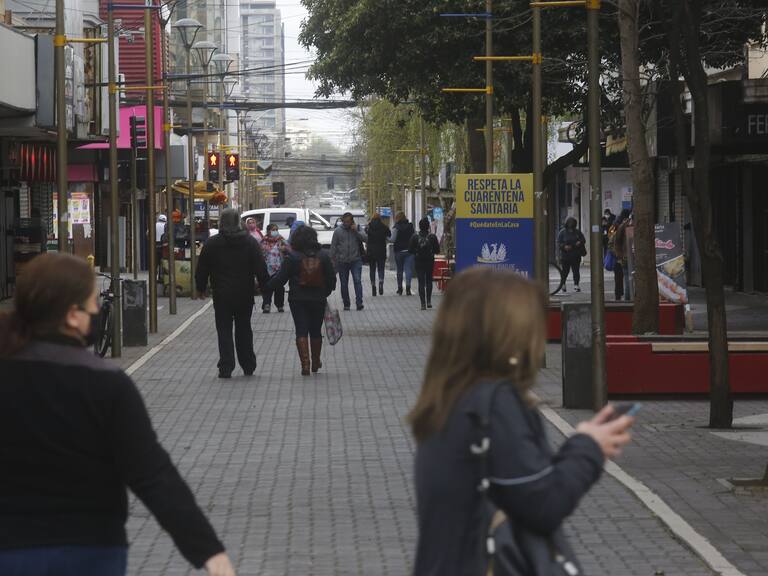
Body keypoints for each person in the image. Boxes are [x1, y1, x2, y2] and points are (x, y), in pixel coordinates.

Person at [0, 253, 235, 576]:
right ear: (72, 316)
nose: (97, 311)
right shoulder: (105, 385)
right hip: (90, 551)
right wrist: (210, 552)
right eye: (91, 302)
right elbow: (152, 475)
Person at [408, 267, 634, 575]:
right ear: (507, 333)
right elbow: (542, 503)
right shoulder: (494, 404)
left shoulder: (447, 399)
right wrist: (588, 448)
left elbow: (518, 483)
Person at [196, 208, 269, 379]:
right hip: (244, 294)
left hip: (222, 295)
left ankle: (226, 366)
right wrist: (265, 286)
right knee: (244, 328)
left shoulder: (212, 243)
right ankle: (248, 364)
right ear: (238, 222)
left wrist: (200, 288)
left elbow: (202, 269)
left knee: (224, 330)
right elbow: (260, 267)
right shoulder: (250, 242)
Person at [267, 225, 336, 376]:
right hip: (318, 298)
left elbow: (280, 279)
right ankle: (316, 362)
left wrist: (266, 287)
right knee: (316, 330)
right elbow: (331, 278)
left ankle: (305, 364)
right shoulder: (323, 255)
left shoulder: (293, 257)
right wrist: (325, 292)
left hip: (297, 299)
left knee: (301, 329)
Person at [330, 212, 367, 311]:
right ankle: (346, 303)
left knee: (357, 280)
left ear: (352, 221)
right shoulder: (338, 231)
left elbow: (365, 239)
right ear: (342, 221)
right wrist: (332, 260)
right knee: (344, 283)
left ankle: (359, 303)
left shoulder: (357, 228)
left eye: (349, 221)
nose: (347, 223)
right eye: (345, 222)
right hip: (342, 261)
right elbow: (333, 246)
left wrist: (356, 231)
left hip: (356, 260)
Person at [409, 217, 440, 310]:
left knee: (421, 282)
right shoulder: (432, 237)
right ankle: (429, 301)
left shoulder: (415, 236)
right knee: (429, 280)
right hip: (429, 261)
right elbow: (437, 250)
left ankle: (423, 303)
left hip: (419, 261)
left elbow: (410, 250)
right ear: (428, 226)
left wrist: (416, 251)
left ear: (419, 226)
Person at [261, 223, 288, 313]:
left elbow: (288, 249)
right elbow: (260, 253)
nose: (275, 231)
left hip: (279, 267)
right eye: (273, 230)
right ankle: (266, 305)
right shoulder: (264, 240)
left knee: (279, 287)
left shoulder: (281, 240)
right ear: (268, 231)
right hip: (267, 267)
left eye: (276, 229)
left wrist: (283, 249)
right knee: (267, 286)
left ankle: (280, 305)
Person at [557, 217, 587, 293]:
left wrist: (579, 242)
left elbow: (583, 239)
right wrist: (564, 246)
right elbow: (559, 242)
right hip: (566, 255)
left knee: (576, 271)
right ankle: (563, 284)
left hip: (575, 254)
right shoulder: (562, 232)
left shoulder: (577, 232)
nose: (571, 227)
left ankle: (576, 284)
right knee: (565, 271)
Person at [365, 212, 391, 297]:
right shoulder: (384, 227)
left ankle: (373, 286)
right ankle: (380, 282)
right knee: (381, 268)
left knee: (372, 269)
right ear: (380, 218)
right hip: (381, 251)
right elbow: (389, 234)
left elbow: (365, 234)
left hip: (371, 251)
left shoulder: (369, 227)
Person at [608, 209, 631, 301]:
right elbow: (612, 240)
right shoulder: (619, 225)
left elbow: (610, 236)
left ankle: (618, 296)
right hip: (620, 256)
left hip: (619, 256)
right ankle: (621, 296)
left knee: (619, 279)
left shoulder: (615, 225)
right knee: (622, 278)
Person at [392, 211, 415, 296]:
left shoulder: (396, 227)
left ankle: (400, 288)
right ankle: (408, 288)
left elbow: (392, 239)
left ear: (397, 218)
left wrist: (386, 237)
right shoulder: (410, 226)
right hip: (409, 251)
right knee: (408, 269)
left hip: (398, 251)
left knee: (399, 270)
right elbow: (414, 237)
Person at [156, 214, 167, 282]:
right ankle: (161, 277)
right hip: (164, 245)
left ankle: (155, 276)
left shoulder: (155, 225)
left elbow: (148, 233)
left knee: (155, 262)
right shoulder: (166, 225)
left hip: (155, 244)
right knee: (163, 262)